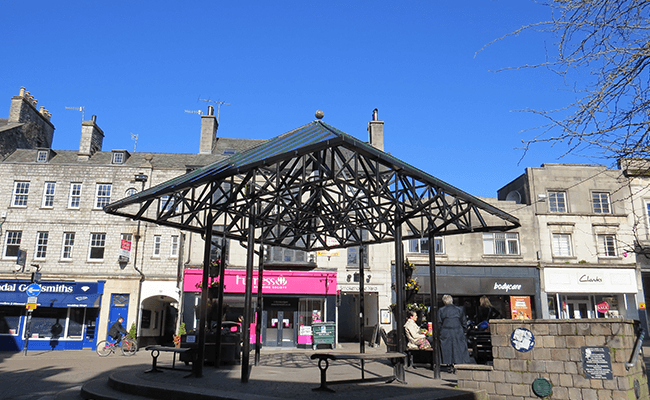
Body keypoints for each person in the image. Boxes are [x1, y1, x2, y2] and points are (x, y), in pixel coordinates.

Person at [438, 294, 472, 366]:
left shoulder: (441, 310)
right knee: (458, 349)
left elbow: (439, 323)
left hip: (446, 332)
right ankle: (458, 364)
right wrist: (464, 331)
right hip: (458, 331)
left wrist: (439, 332)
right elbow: (463, 321)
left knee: (447, 350)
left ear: (444, 302)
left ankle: (448, 364)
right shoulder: (459, 310)